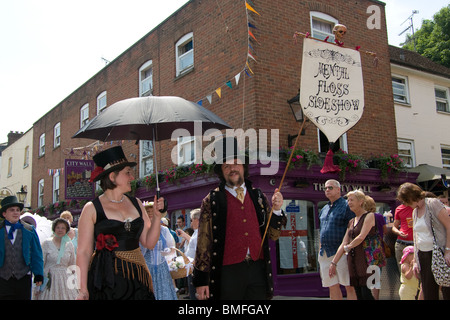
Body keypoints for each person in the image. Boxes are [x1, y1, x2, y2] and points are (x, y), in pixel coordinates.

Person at [193, 137, 286, 300]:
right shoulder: (211, 200)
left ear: (243, 166)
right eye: (226, 166)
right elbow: (203, 243)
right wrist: (201, 280)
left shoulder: (258, 196)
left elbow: (273, 235)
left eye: (235, 163)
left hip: (258, 270)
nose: (232, 169)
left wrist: (277, 211)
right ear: (222, 171)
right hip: (227, 272)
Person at [76, 146, 165, 300]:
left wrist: (157, 217)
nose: (132, 177)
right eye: (127, 173)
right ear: (112, 176)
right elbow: (83, 252)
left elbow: (149, 243)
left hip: (137, 278)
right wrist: (82, 289)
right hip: (106, 280)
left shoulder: (137, 203)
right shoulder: (91, 208)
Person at [397, 182, 450, 300]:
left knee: (447, 288)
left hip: (439, 252)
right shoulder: (415, 211)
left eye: (405, 200)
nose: (404, 204)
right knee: (428, 291)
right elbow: (416, 237)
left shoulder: (432, 203)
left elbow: (448, 225)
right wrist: (415, 260)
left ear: (410, 197)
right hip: (423, 254)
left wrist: (447, 250)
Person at [330, 189, 377, 300]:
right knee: (359, 293)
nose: (349, 202)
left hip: (366, 260)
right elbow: (344, 243)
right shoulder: (351, 221)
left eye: (352, 200)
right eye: (348, 200)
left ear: (361, 202)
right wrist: (333, 262)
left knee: (366, 293)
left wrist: (348, 247)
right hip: (353, 260)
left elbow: (361, 237)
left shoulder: (369, 216)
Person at [318, 179, 356, 300]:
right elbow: (322, 230)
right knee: (332, 286)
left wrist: (348, 249)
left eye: (330, 188)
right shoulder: (324, 208)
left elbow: (352, 230)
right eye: (325, 188)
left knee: (349, 285)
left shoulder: (346, 206)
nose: (327, 190)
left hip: (342, 253)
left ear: (338, 190)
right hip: (325, 253)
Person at [0, 195, 43, 300]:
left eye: (18, 210)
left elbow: (36, 253)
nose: (16, 212)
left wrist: (38, 274)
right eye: (12, 210)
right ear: (4, 214)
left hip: (23, 277)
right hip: (3, 278)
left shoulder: (29, 230)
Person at [140, 202, 177, 300]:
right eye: (148, 211)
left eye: (152, 211)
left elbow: (172, 247)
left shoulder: (164, 230)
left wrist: (167, 251)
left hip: (162, 269)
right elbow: (140, 251)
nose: (150, 213)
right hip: (147, 270)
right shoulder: (142, 230)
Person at [37, 218, 78, 300]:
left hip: (65, 278)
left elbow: (72, 264)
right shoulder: (47, 243)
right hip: (50, 277)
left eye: (63, 228)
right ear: (54, 229)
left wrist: (75, 282)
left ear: (66, 230)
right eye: (58, 227)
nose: (60, 230)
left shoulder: (69, 245)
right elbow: (41, 262)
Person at [364, 195, 387, 300]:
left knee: (366, 278)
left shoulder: (363, 217)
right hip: (377, 251)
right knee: (375, 278)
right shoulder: (379, 216)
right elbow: (385, 231)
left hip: (366, 251)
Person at [177, 208, 200, 300]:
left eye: (191, 220)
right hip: (191, 267)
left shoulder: (200, 233)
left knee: (195, 293)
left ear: (196, 220)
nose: (190, 223)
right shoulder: (196, 232)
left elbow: (199, 249)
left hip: (195, 268)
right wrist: (184, 235)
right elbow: (193, 243)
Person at [391, 204, 414, 269]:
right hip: (401, 243)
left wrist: (416, 222)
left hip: (415, 244)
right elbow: (394, 227)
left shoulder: (416, 207)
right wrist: (398, 232)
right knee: (402, 270)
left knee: (416, 271)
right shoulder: (399, 208)